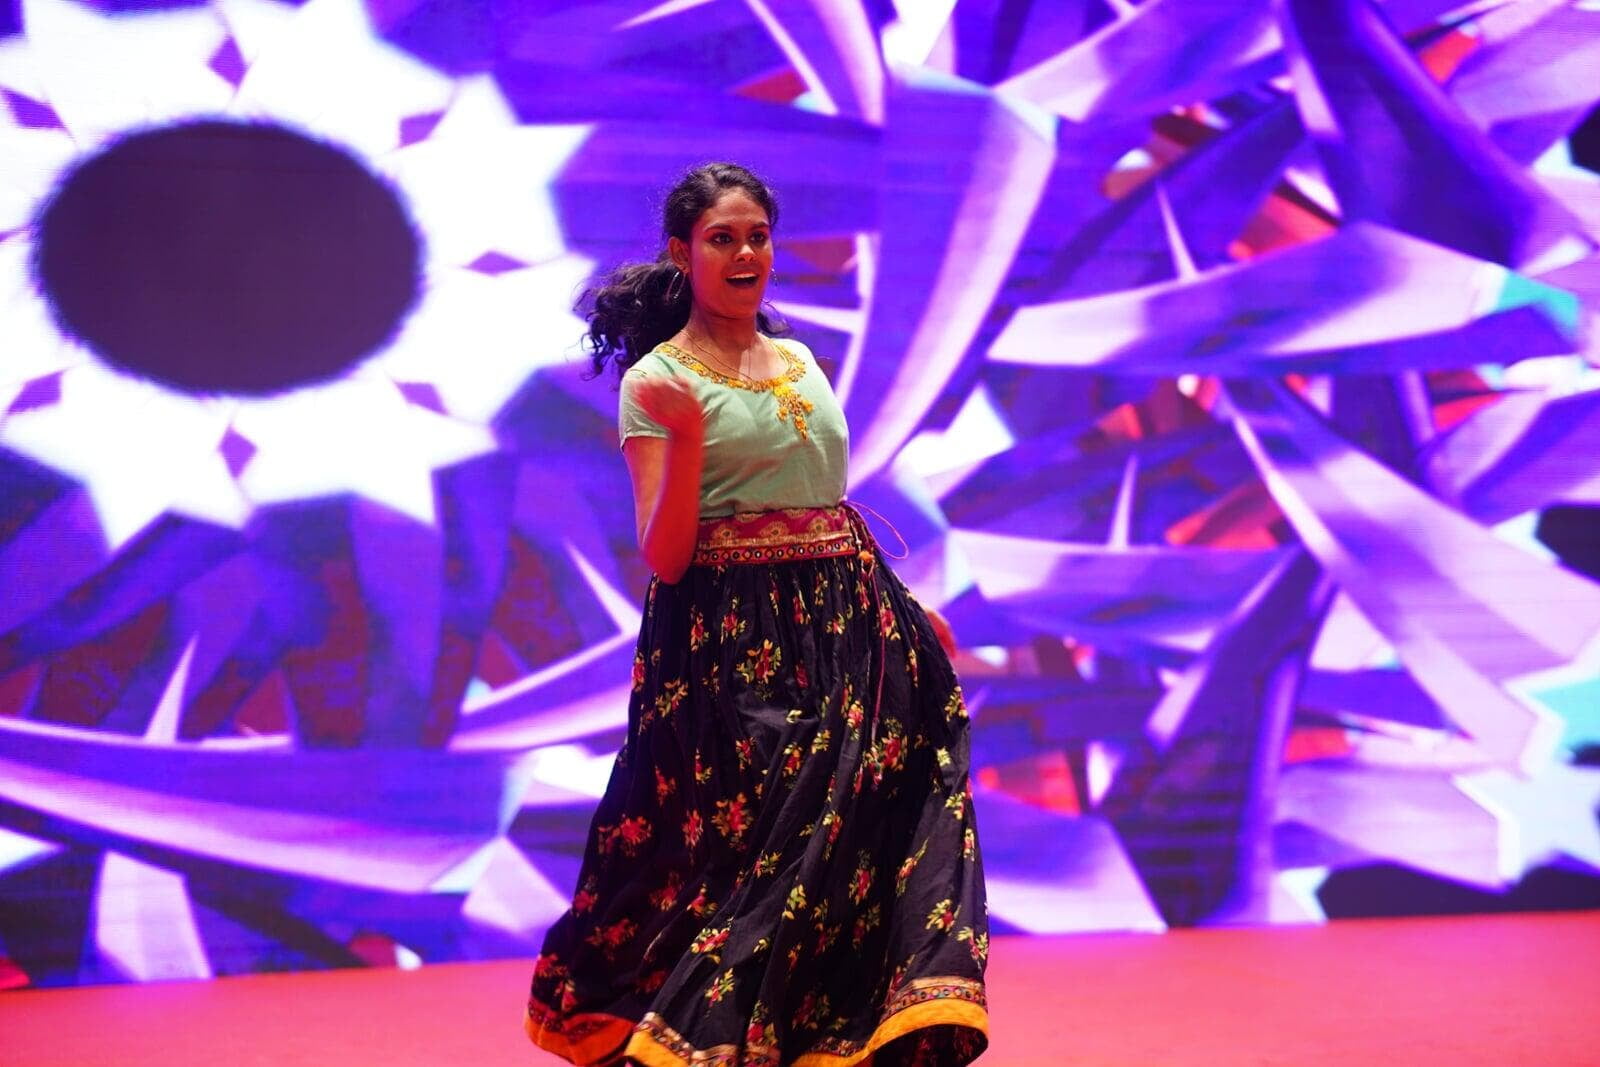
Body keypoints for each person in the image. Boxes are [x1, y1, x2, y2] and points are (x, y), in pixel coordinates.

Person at [525, 163, 988, 1067]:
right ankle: (701, 1042)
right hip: (735, 642)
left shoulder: (800, 360)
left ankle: (829, 1039)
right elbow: (666, 556)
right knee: (764, 853)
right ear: (682, 252)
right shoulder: (658, 382)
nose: (745, 254)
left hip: (850, 628)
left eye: (758, 236)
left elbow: (825, 501)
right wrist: (687, 435)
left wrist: (905, 610)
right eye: (722, 238)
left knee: (861, 833)